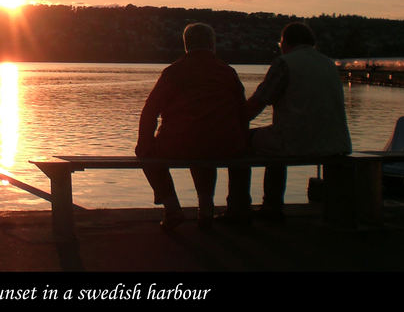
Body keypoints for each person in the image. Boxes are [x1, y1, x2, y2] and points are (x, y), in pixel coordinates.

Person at [221, 22, 351, 224]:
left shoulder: (285, 63)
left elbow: (257, 104)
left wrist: (228, 127)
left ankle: (240, 208)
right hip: (335, 143)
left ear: (285, 43)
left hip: (296, 140)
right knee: (274, 140)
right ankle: (271, 206)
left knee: (243, 142)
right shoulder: (328, 64)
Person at [136, 23, 248, 231]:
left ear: (186, 45)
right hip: (225, 145)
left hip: (179, 143)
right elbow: (242, 112)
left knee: (148, 154)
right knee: (206, 147)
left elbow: (150, 110)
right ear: (212, 45)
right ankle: (206, 209)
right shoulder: (227, 72)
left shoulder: (174, 72)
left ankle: (172, 208)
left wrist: (145, 141)